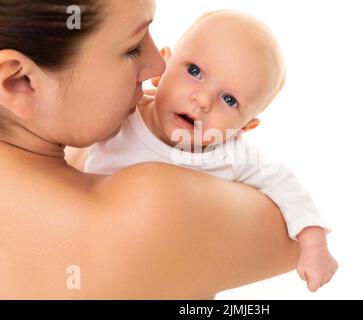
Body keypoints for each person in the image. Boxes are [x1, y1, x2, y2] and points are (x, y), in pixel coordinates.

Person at [0, 0, 336, 299]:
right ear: (19, 81)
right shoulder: (155, 204)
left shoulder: (76, 156)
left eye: (230, 100)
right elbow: (290, 244)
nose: (157, 66)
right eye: (133, 47)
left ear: (247, 125)